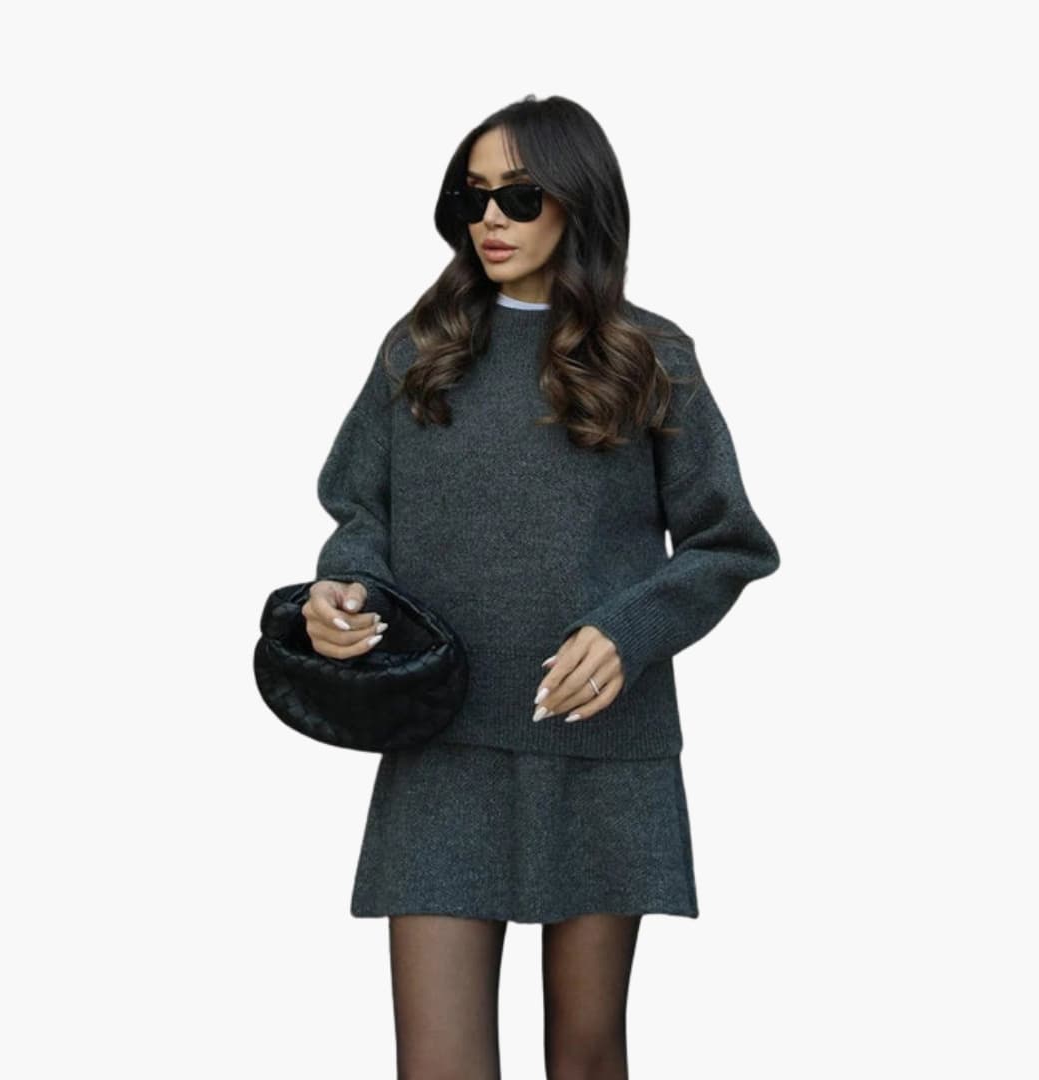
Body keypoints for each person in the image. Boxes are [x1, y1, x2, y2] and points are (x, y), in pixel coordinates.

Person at [302, 94, 781, 1079]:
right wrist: (345, 589)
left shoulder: (651, 357)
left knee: (587, 1058)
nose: (491, 218)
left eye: (519, 196)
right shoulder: (418, 350)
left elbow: (726, 540)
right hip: (441, 737)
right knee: (437, 1065)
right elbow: (359, 508)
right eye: (472, 196)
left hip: (598, 744)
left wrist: (631, 628)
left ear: (578, 201)